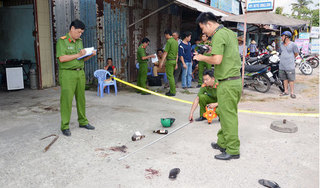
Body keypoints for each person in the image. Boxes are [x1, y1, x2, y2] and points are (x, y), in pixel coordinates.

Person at [193, 12, 242, 160]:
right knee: (224, 113)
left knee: (228, 116)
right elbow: (225, 53)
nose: (203, 32)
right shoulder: (229, 33)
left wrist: (201, 57)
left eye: (203, 28)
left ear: (209, 24)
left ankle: (233, 150)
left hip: (227, 82)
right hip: (232, 81)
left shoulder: (218, 35)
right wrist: (208, 50)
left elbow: (218, 60)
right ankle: (223, 143)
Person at [56, 19, 96, 136]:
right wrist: (78, 54)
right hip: (68, 74)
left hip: (80, 73)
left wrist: (89, 55)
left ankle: (83, 121)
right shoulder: (62, 41)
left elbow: (81, 59)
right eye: (78, 32)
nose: (80, 34)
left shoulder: (79, 41)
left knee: (81, 98)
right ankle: (65, 125)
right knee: (66, 100)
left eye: (81, 33)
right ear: (72, 29)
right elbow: (62, 58)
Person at [279, 31, 299, 99]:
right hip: (282, 65)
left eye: (282, 36)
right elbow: (281, 52)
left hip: (290, 66)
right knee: (284, 79)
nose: (281, 37)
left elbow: (296, 53)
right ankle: (286, 91)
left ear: (286, 37)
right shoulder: (281, 44)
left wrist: (290, 59)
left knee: (291, 79)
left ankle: (292, 93)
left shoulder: (293, 45)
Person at [159, 29, 178, 96]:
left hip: (169, 61)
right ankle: (172, 90)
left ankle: (172, 91)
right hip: (174, 60)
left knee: (170, 76)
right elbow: (177, 53)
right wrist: (176, 62)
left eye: (165, 35)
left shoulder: (169, 42)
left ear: (167, 34)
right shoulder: (176, 42)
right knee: (171, 76)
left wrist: (161, 62)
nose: (165, 36)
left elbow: (165, 53)